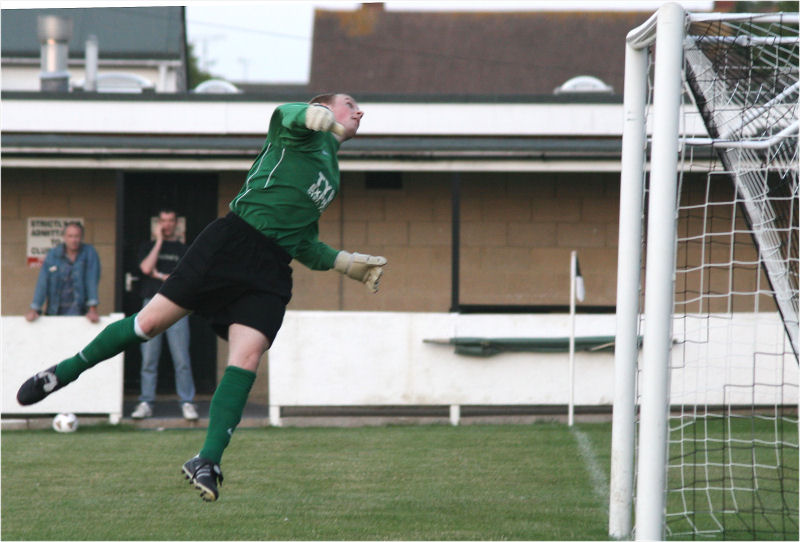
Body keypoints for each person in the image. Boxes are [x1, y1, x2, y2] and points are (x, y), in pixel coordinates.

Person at [17, 93, 386, 502]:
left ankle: (207, 460)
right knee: (149, 324)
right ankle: (64, 371)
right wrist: (310, 114)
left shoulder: (332, 172)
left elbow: (302, 242)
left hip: (271, 269)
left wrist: (345, 263)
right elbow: (283, 113)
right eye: (349, 103)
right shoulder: (297, 135)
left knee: (247, 356)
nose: (360, 111)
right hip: (232, 242)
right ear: (325, 107)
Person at [131, 208, 198, 421]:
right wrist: (158, 241)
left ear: (176, 223)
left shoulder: (182, 248)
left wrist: (159, 275)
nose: (167, 225)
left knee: (181, 358)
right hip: (150, 304)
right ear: (158, 223)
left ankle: (187, 402)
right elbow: (145, 268)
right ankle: (146, 402)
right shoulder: (148, 246)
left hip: (176, 305)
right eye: (163, 221)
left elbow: (185, 276)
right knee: (149, 358)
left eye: (171, 221)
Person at [26, 221, 101, 324]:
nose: (74, 240)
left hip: (80, 312)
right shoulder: (53, 255)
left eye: (77, 236)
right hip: (55, 310)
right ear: (64, 237)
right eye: (70, 236)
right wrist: (35, 308)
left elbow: (91, 280)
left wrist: (92, 309)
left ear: (82, 237)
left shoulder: (89, 253)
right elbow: (42, 282)